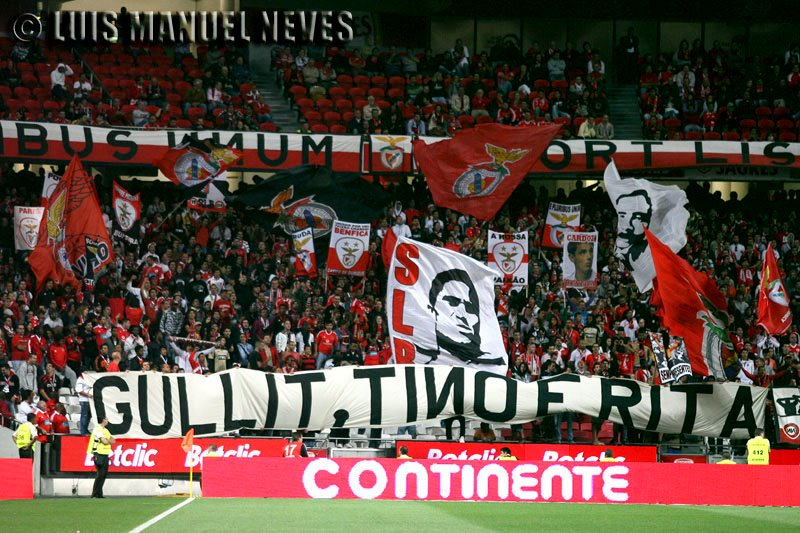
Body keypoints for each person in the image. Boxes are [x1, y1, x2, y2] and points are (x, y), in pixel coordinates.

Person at [415, 269, 502, 366]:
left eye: (468, 306)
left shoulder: (493, 365)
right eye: (453, 302)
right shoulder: (416, 361)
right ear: (432, 309)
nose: (462, 314)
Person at [614, 190, 652, 271]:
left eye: (637, 217)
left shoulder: (651, 257)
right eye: (622, 216)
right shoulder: (612, 253)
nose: (628, 225)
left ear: (647, 222)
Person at [90, 415, 115, 498]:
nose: (107, 421)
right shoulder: (98, 429)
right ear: (103, 420)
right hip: (99, 453)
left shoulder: (106, 430)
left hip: (105, 454)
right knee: (100, 474)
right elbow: (104, 441)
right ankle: (94, 494)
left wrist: (107, 441)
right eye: (107, 419)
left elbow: (113, 440)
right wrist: (107, 441)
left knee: (103, 474)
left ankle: (99, 494)